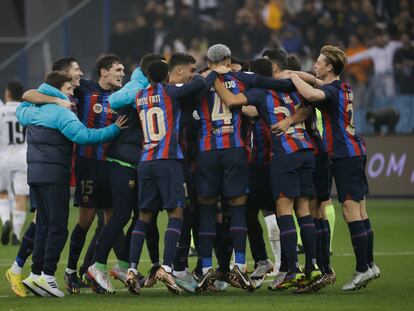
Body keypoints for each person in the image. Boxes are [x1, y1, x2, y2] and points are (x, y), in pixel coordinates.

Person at [213, 57, 321, 292]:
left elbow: (231, 100)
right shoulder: (292, 89)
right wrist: (291, 119)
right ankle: (312, 267)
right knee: (303, 210)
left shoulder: (260, 93)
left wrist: (215, 80)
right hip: (306, 150)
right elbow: (308, 107)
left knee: (283, 210)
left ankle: (291, 269)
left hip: (285, 154)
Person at [16, 71, 126, 298]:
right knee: (58, 228)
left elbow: (23, 105)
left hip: (34, 175)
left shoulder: (29, 111)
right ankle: (48, 276)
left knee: (44, 225)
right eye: (68, 90)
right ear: (59, 89)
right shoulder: (62, 114)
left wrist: (52, 98)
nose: (71, 95)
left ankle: (35, 274)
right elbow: (85, 136)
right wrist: (115, 129)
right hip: (55, 175)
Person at [286, 45, 380, 291]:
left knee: (350, 212)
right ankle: (370, 265)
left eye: (319, 62)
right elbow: (315, 82)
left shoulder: (328, 91)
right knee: (361, 210)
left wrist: (293, 76)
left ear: (329, 67)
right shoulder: (343, 87)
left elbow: (313, 93)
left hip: (342, 154)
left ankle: (362, 270)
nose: (314, 66)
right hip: (355, 152)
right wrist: (297, 73)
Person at [125, 60, 209, 295]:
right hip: (167, 161)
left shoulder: (140, 95)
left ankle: (131, 270)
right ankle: (166, 268)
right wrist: (207, 73)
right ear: (166, 75)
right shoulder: (170, 91)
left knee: (144, 216)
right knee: (176, 213)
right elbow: (198, 85)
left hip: (146, 161)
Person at [0, 81, 28, 246]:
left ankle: (5, 221)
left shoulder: (1, 111)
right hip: (23, 157)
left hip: (3, 157)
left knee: (2, 193)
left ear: (8, 93)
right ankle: (16, 235)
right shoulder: (26, 111)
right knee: (20, 197)